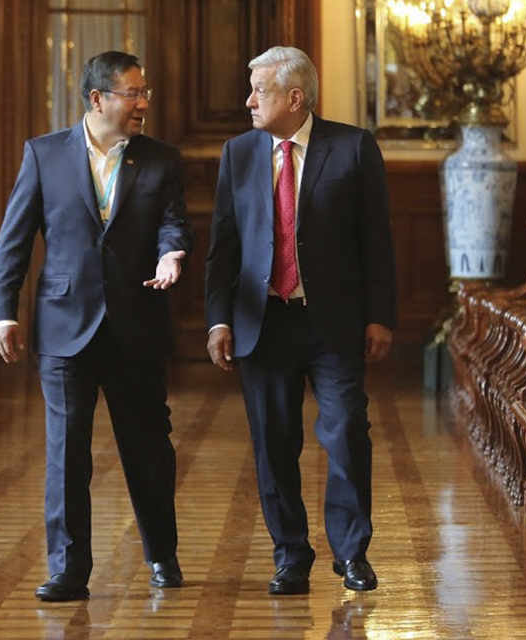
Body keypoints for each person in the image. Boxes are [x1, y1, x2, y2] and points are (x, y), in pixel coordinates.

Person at [0, 51, 193, 602]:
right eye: (133, 93)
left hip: (137, 325)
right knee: (65, 454)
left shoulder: (160, 159)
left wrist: (171, 255)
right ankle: (68, 571)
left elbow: (174, 222)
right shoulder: (43, 154)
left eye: (145, 92)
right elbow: (14, 240)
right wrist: (2, 310)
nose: (143, 103)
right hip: (63, 327)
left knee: (148, 449)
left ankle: (161, 556)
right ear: (98, 98)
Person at [204, 46, 396, 595]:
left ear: (295, 97)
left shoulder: (353, 147)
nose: (247, 101)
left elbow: (377, 240)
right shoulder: (238, 153)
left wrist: (381, 316)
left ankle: (352, 553)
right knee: (273, 443)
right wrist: (218, 321)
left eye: (257, 90)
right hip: (261, 322)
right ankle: (290, 555)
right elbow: (224, 245)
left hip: (332, 323)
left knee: (347, 435)